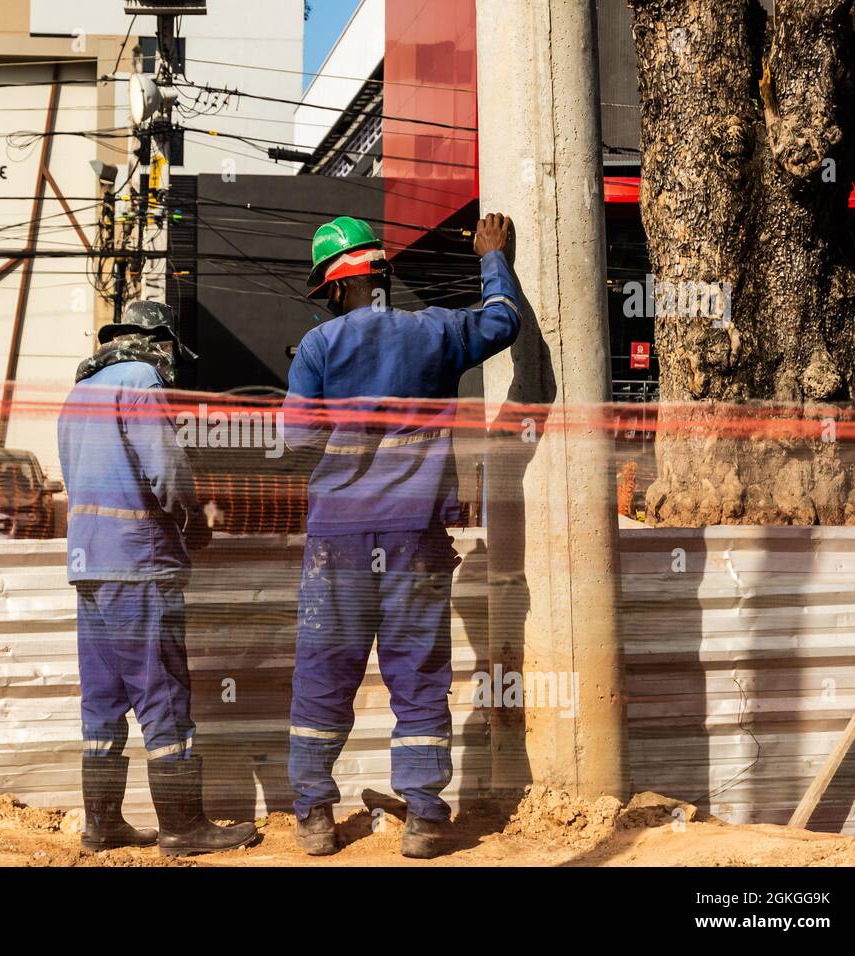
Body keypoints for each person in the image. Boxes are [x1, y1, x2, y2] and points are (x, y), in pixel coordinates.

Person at [282, 213, 521, 858]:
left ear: (335, 287)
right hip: (416, 536)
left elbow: (297, 441)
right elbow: (503, 319)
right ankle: (423, 817)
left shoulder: (319, 347)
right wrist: (492, 257)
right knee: (417, 674)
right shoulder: (437, 330)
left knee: (325, 673)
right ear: (382, 274)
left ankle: (313, 816)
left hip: (338, 539)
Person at [57, 299, 259, 857]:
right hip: (139, 566)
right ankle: (181, 827)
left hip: (89, 568)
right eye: (171, 348)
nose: (172, 361)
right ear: (156, 340)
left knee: (103, 700)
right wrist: (194, 520)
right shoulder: (141, 378)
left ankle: (102, 825)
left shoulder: (77, 394)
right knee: (162, 691)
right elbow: (166, 468)